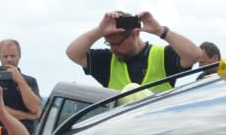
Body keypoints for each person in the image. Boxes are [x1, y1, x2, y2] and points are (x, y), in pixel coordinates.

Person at [64, 10, 205, 93]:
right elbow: (73, 53)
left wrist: (160, 31)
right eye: (109, 44)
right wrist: (99, 31)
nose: (113, 49)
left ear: (134, 34)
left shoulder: (162, 56)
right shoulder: (107, 61)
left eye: (117, 44)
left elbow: (195, 55)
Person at [0, 38, 42, 131]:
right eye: (5, 56)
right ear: (0, 57)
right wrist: (28, 116)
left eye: (13, 56)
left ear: (19, 56)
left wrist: (20, 80)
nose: (9, 59)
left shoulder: (30, 81)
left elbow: (34, 108)